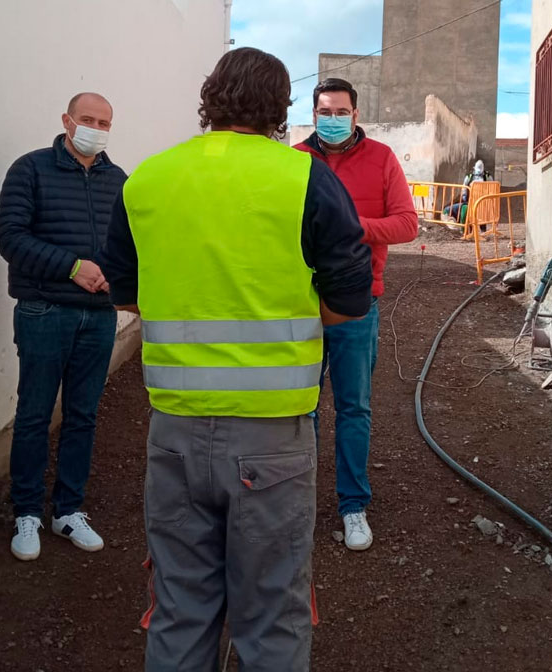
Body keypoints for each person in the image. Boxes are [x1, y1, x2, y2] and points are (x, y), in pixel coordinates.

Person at [100, 48, 372, 671]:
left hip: (174, 432)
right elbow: (351, 298)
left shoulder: (148, 178)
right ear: (280, 107)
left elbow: (124, 290)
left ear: (210, 98)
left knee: (178, 607)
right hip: (272, 439)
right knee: (271, 616)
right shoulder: (303, 177)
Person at [0, 92, 126, 561]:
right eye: (87, 119)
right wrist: (72, 267)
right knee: (34, 414)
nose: (95, 127)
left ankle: (68, 509)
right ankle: (26, 511)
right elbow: (10, 237)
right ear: (67, 121)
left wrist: (116, 274)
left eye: (104, 121)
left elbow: (127, 242)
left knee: (83, 415)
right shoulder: (30, 170)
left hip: (99, 315)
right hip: (44, 310)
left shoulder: (118, 180)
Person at [293, 77, 418, 551]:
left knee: (354, 406)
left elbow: (407, 224)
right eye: (325, 111)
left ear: (355, 114)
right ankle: (299, 501)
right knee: (300, 406)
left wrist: (348, 228)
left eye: (341, 111)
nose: (333, 118)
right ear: (314, 113)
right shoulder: (295, 160)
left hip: (357, 301)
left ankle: (352, 505)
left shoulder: (382, 159)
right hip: (299, 302)